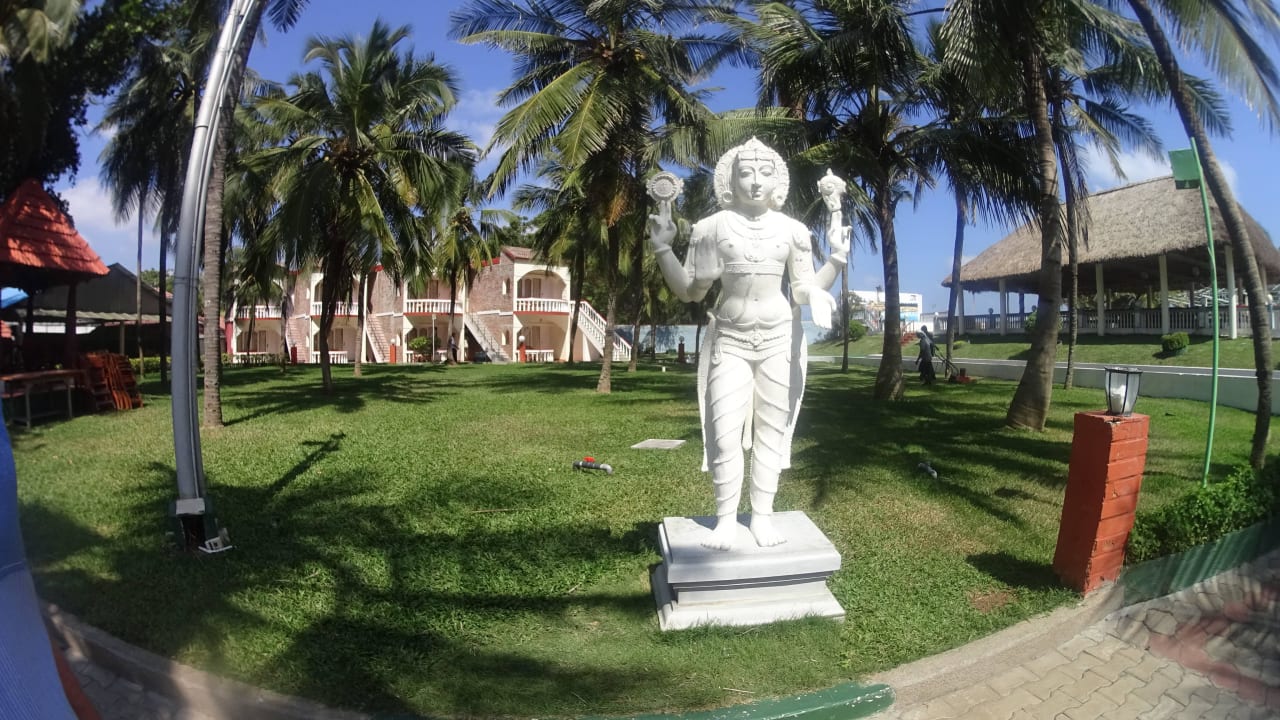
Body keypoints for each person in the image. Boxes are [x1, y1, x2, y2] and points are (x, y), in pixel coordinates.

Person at [648, 138, 848, 550]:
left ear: (776, 180)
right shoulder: (710, 228)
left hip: (778, 339)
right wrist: (663, 247)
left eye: (763, 173)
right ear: (731, 180)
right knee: (724, 431)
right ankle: (725, 518)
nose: (755, 182)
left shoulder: (794, 231)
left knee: (772, 431)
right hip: (731, 341)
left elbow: (802, 289)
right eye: (745, 173)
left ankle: (762, 516)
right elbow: (689, 291)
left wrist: (835, 265)